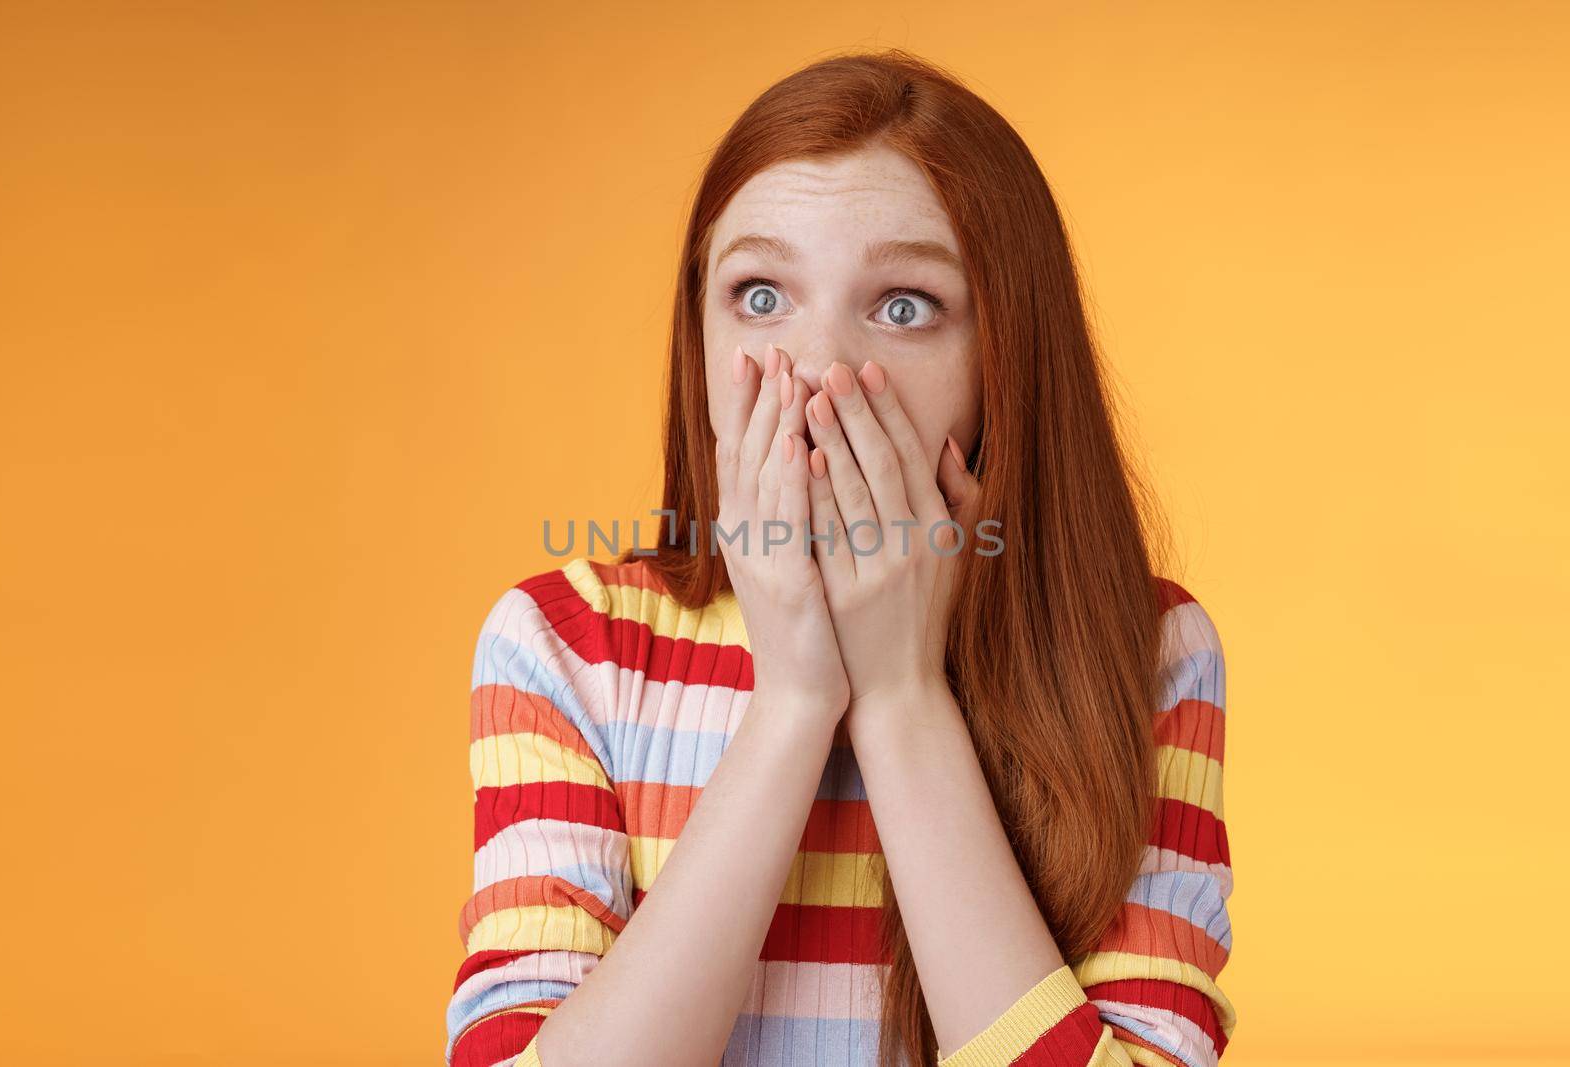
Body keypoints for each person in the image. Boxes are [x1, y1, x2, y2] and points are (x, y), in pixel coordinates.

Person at [444, 48, 1233, 1067]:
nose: (815, 369)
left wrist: (903, 695)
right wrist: (792, 704)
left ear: (1005, 360)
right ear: (698, 333)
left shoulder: (1148, 654)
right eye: (760, 294)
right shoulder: (564, 646)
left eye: (903, 305)